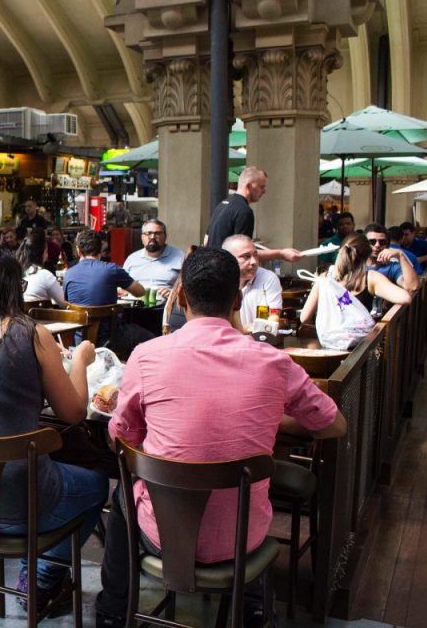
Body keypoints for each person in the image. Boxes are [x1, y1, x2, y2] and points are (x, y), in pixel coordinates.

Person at [97, 248, 347, 628]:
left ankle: (113, 612)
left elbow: (121, 439)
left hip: (163, 535)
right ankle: (253, 606)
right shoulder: (274, 363)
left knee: (121, 497)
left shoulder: (146, 356)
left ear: (181, 297)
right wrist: (266, 418)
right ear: (237, 299)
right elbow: (334, 425)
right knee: (247, 498)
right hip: (242, 539)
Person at [0, 245, 107, 617]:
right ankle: (43, 575)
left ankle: (39, 571)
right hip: (23, 503)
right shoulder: (29, 334)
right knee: (96, 484)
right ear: (12, 287)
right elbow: (75, 412)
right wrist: (79, 358)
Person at [64, 230, 147, 358]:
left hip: (78, 342)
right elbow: (140, 292)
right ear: (101, 249)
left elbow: (68, 303)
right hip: (111, 339)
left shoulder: (68, 274)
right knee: (149, 336)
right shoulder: (112, 269)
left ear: (78, 250)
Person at [301, 232, 412, 326]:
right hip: (360, 344)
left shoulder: (324, 277)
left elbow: (304, 318)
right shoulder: (370, 278)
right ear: (367, 255)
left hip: (329, 341)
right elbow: (406, 297)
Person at [204, 166, 302, 264]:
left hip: (210, 269)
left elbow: (206, 241)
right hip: (225, 272)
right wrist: (281, 254)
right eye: (261, 187)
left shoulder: (222, 205)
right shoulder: (244, 211)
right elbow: (245, 253)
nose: (264, 192)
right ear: (248, 186)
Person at [222, 235, 282, 331]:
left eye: (255, 255)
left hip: (258, 341)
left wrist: (242, 330)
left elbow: (273, 316)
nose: (254, 262)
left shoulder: (268, 278)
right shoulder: (218, 281)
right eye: (246, 257)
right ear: (228, 259)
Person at [121, 219, 183, 300]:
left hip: (165, 308)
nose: (153, 237)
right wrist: (122, 290)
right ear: (142, 237)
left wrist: (174, 295)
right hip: (135, 307)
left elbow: (190, 289)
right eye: (148, 233)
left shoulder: (181, 258)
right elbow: (122, 284)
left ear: (165, 236)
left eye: (157, 233)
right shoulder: (132, 259)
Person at [362, 224, 420, 292]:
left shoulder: (392, 267)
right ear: (363, 243)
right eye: (372, 241)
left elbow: (413, 286)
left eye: (382, 242)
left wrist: (400, 255)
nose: (377, 245)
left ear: (387, 245)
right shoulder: (355, 264)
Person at [17, 229, 65, 306]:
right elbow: (64, 304)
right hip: (39, 317)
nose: (47, 254)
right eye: (46, 250)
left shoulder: (15, 273)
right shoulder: (45, 275)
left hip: (17, 317)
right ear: (41, 252)